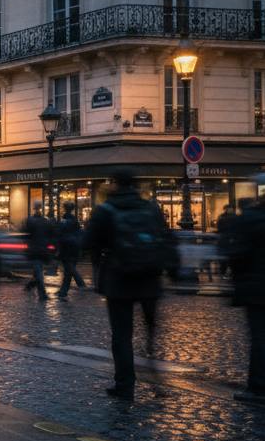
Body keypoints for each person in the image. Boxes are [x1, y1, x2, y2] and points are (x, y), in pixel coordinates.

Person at [81, 168, 176, 401]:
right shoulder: (152, 208)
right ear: (136, 186)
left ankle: (125, 384)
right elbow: (166, 239)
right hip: (149, 279)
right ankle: (153, 365)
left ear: (114, 184)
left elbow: (87, 242)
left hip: (119, 279)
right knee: (151, 328)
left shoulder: (106, 210)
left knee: (122, 335)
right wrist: (174, 271)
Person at [227, 177, 265, 403]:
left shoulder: (250, 219)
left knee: (261, 338)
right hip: (257, 284)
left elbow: (237, 254)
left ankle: (259, 387)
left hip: (257, 287)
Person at [22, 201, 56, 301]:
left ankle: (41, 293)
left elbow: (25, 233)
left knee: (38, 271)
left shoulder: (30, 221)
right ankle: (36, 290)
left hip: (34, 249)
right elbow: (52, 235)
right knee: (38, 270)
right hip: (43, 249)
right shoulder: (45, 222)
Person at [55, 201, 86, 300]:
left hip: (66, 248)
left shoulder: (64, 222)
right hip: (73, 248)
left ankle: (79, 283)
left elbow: (59, 235)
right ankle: (63, 291)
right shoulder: (74, 222)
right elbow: (79, 234)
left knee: (69, 269)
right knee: (68, 271)